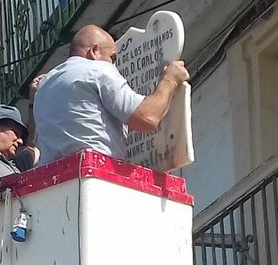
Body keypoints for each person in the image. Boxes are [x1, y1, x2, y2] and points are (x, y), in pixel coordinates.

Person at [33, 23, 189, 165]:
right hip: (96, 173)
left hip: (56, 183)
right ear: (94, 51)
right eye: (113, 58)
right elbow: (147, 118)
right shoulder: (97, 69)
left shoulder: (44, 87)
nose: (114, 65)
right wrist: (170, 80)